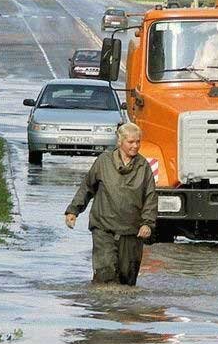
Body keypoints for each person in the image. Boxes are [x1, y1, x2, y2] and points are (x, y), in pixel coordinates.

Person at [64, 122, 158, 286]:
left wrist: (147, 224)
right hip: (103, 229)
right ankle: (102, 309)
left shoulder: (144, 167)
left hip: (132, 232)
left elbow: (150, 197)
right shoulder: (104, 161)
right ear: (120, 142)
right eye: (131, 142)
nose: (135, 146)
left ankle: (123, 311)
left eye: (138, 142)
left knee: (127, 281)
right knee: (106, 273)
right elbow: (87, 187)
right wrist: (73, 211)